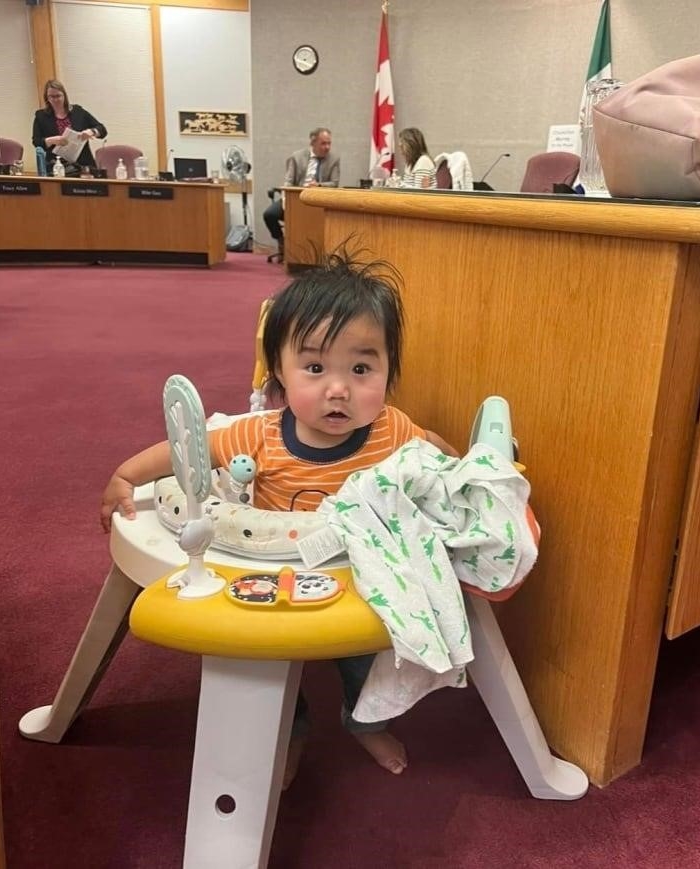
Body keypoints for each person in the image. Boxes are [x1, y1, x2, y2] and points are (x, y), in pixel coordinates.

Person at [100, 249, 457, 788]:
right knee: (261, 661)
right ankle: (290, 731)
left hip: (355, 574)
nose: (338, 389)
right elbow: (189, 452)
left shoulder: (391, 430)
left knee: (370, 656)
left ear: (388, 369)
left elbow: (433, 454)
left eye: (361, 368)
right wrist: (126, 476)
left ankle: (365, 722)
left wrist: (463, 477)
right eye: (315, 368)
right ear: (280, 376)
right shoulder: (258, 433)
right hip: (269, 571)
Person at [263, 127, 340, 262]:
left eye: (329, 143)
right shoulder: (296, 157)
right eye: (323, 143)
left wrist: (319, 185)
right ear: (313, 143)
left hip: (319, 201)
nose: (327, 147)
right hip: (295, 199)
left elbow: (334, 183)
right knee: (269, 214)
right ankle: (282, 243)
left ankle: (317, 254)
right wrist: (286, 202)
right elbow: (288, 182)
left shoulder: (334, 159)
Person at [32, 79, 107, 174]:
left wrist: (92, 132)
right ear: (47, 98)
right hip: (55, 166)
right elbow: (36, 142)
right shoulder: (41, 116)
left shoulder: (78, 112)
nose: (55, 99)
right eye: (51, 96)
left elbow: (102, 130)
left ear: (64, 96)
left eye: (58, 96)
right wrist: (51, 140)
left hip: (83, 165)